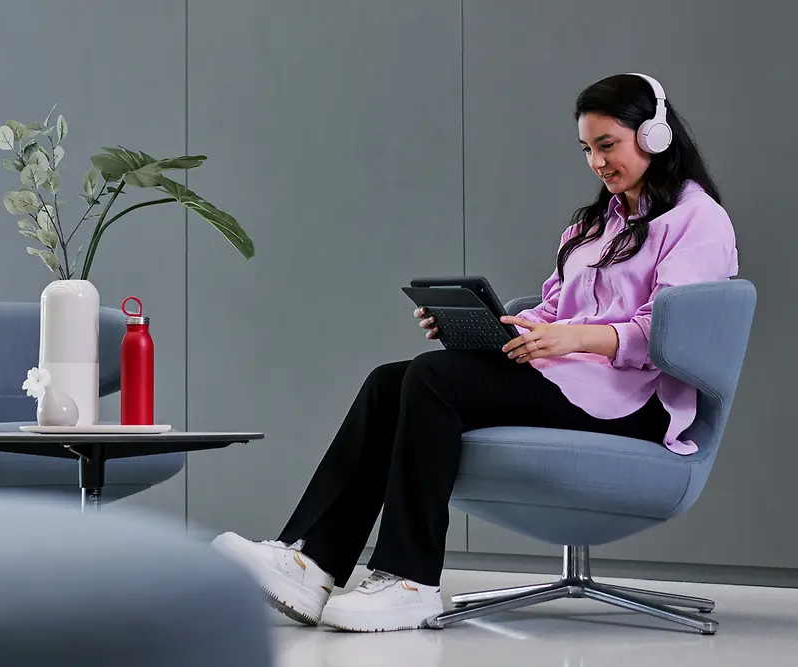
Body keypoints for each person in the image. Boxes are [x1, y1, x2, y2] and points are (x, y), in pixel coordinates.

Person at [211, 73, 739, 633]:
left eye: (607, 145)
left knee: (434, 379)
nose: (596, 162)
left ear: (653, 136)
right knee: (391, 380)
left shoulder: (696, 218)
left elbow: (671, 333)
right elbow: (554, 306)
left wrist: (575, 338)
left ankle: (409, 579)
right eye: (587, 149)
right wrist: (491, 325)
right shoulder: (592, 225)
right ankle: (310, 561)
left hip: (636, 400)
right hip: (572, 378)